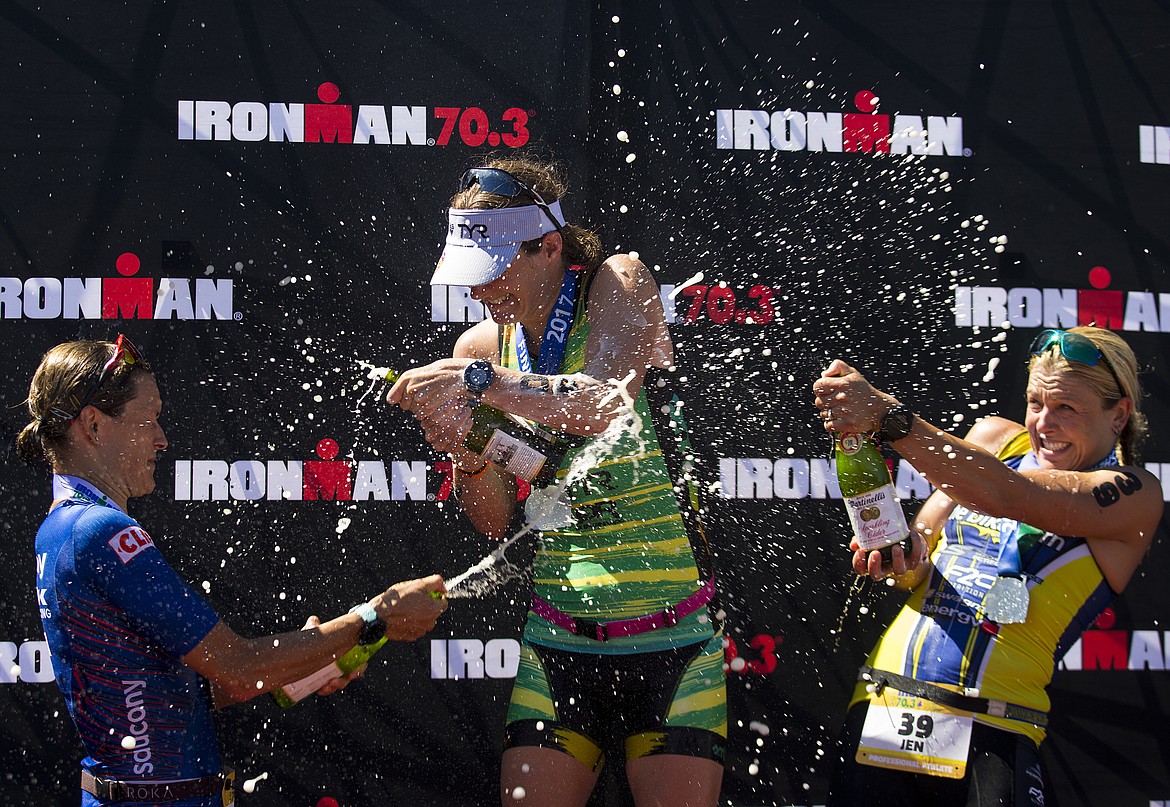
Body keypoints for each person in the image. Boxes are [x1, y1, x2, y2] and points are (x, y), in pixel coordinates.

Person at [385, 156, 726, 807]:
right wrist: (470, 454)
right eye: (471, 279)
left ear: (549, 247)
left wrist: (476, 386)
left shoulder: (618, 280)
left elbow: (603, 402)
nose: (481, 294)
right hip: (558, 638)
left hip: (674, 641)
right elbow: (490, 520)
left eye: (493, 273)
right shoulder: (479, 347)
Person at [17, 336, 448, 806]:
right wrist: (373, 617)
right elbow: (239, 670)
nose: (162, 438)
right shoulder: (97, 530)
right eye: (148, 420)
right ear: (94, 425)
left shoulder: (69, 527)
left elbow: (177, 690)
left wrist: (309, 660)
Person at [811, 326, 1163, 807]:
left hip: (998, 725)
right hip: (886, 703)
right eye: (1036, 403)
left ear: (1118, 414)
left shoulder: (1133, 494)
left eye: (1067, 408)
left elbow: (1011, 495)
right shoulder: (996, 440)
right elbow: (918, 562)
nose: (1044, 424)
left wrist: (888, 418)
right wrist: (901, 554)